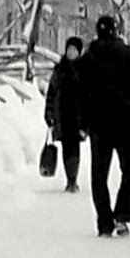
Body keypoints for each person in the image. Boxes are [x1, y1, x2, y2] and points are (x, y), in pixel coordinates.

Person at [78, 13, 130, 238]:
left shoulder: (89, 57)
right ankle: (122, 215)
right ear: (115, 31)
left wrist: (86, 122)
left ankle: (104, 222)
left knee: (99, 175)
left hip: (100, 125)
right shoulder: (128, 54)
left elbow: (82, 93)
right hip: (125, 122)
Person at [45, 35, 87, 194]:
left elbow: (87, 96)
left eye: (74, 50)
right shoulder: (60, 69)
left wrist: (87, 121)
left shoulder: (83, 70)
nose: (70, 52)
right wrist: (49, 113)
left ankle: (73, 179)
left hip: (77, 117)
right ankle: (69, 179)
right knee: (65, 147)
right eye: (69, 49)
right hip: (61, 114)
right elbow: (52, 93)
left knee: (74, 148)